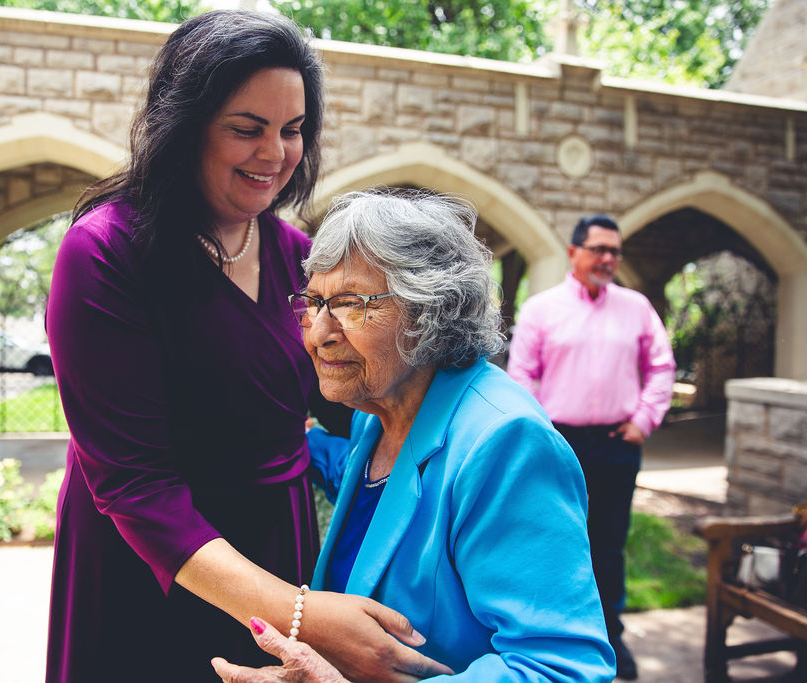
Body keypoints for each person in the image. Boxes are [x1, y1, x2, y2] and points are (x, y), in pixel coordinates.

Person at [44, 12, 448, 683]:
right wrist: (299, 615)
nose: (276, 153)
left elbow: (363, 396)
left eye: (293, 130)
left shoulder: (299, 256)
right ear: (185, 125)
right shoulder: (105, 252)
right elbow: (136, 486)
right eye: (247, 128)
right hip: (153, 560)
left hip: (276, 538)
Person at [212, 189, 616, 682]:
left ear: (431, 312)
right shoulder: (379, 411)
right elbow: (390, 497)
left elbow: (563, 668)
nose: (319, 333)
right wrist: (303, 438)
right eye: (314, 302)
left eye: (350, 305)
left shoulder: (506, 443)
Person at [506, 213, 676, 680]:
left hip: (617, 443)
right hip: (558, 443)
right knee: (553, 539)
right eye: (598, 249)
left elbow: (661, 367)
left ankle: (611, 638)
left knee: (609, 543)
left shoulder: (637, 307)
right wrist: (541, 433)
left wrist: (644, 419)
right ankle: (552, 636)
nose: (607, 258)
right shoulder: (541, 309)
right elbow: (522, 377)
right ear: (573, 253)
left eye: (614, 251)